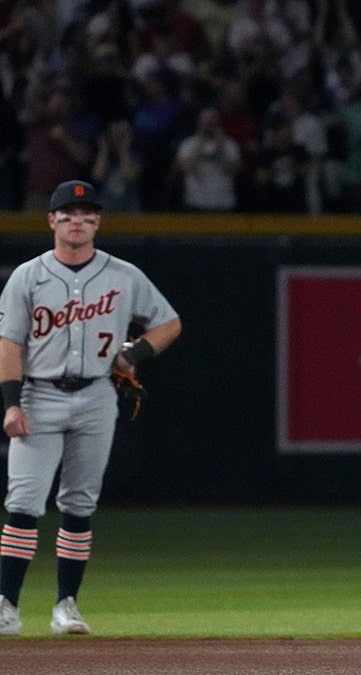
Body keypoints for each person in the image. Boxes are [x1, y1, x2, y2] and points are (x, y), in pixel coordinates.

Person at [0, 180, 182, 637]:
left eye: (86, 215)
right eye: (68, 214)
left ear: (97, 222)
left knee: (80, 503)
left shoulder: (123, 275)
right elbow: (9, 344)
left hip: (98, 394)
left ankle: (66, 606)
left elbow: (169, 322)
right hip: (40, 395)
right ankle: (6, 606)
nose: (77, 222)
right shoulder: (28, 276)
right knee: (23, 503)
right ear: (52, 221)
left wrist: (135, 353)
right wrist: (11, 404)